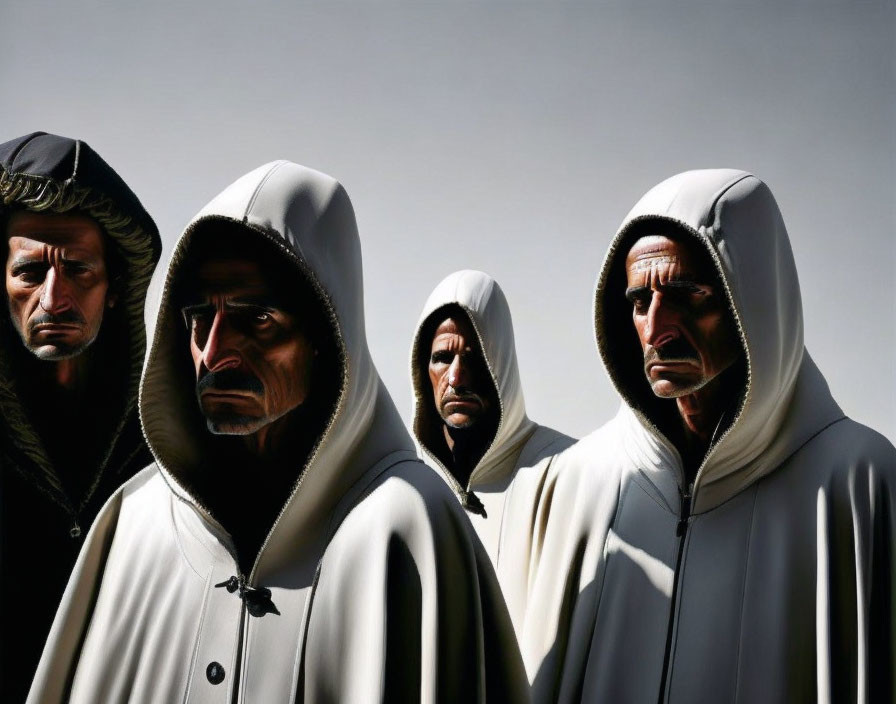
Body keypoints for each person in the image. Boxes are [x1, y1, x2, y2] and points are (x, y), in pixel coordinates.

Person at [28, 161, 528, 703]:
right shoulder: (132, 521)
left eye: (257, 319)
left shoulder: (409, 528)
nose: (214, 354)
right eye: (200, 319)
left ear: (326, 334)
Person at [522, 169, 896, 703]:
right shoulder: (579, 481)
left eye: (686, 295)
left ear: (755, 300)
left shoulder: (858, 482)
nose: (656, 329)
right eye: (638, 302)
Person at [0, 131, 161, 700]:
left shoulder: (162, 442)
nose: (53, 297)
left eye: (78, 269)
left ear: (115, 287)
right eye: (29, 273)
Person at [410, 269, 574, 630]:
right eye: (442, 358)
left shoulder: (565, 473)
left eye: (474, 356)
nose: (457, 378)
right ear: (423, 370)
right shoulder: (408, 490)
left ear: (502, 362)